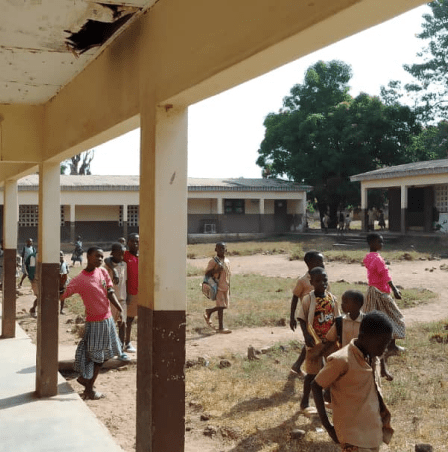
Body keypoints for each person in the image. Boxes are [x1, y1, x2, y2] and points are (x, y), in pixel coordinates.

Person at [312, 311, 394, 451]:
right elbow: (316, 385)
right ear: (362, 337)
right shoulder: (342, 360)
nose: (384, 349)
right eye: (381, 344)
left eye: (386, 344)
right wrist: (328, 426)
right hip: (352, 436)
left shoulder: (373, 358)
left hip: (371, 432)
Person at [60, 246, 127, 400]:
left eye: (102, 257)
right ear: (88, 256)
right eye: (97, 256)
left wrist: (119, 309)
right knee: (97, 358)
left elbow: (110, 291)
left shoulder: (103, 272)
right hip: (95, 323)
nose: (100, 259)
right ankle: (89, 389)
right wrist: (60, 284)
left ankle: (85, 379)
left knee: (106, 355)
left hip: (107, 319)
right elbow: (62, 295)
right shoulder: (79, 280)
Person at [296, 266, 339, 412]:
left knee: (333, 370)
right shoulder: (308, 299)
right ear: (311, 282)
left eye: (325, 280)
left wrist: (338, 336)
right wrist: (306, 335)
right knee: (312, 373)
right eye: (318, 280)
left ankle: (331, 399)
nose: (322, 283)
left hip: (331, 341)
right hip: (315, 342)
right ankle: (304, 402)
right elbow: (301, 318)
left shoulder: (332, 299)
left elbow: (337, 319)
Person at [363, 233, 405, 381]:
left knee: (373, 319)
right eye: (380, 241)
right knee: (396, 317)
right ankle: (392, 346)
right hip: (381, 293)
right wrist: (395, 290)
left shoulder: (368, 257)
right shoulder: (378, 259)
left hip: (372, 291)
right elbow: (386, 276)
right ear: (373, 242)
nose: (382, 243)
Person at [290, 250, 325, 376]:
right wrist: (292, 317)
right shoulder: (303, 281)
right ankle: (315, 370)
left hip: (321, 316)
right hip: (308, 318)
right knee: (312, 341)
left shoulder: (323, 278)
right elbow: (295, 297)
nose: (323, 264)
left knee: (314, 342)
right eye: (320, 261)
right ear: (310, 263)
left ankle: (298, 365)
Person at [107, 233, 139, 353]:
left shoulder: (142, 255)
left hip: (137, 292)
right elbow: (108, 259)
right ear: (128, 243)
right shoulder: (125, 255)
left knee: (129, 319)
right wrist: (114, 270)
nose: (135, 244)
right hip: (126, 293)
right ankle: (122, 343)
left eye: (137, 241)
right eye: (132, 241)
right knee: (122, 320)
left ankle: (126, 343)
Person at [104, 242, 129, 361]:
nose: (121, 255)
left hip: (122, 299)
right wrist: (113, 270)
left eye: (123, 252)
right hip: (110, 301)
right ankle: (108, 349)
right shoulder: (107, 267)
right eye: (119, 252)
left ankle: (121, 349)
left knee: (122, 324)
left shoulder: (124, 265)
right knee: (109, 326)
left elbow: (126, 282)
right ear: (113, 252)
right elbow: (106, 259)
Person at [203, 242, 232, 334]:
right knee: (220, 306)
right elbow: (207, 274)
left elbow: (228, 275)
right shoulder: (213, 261)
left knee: (224, 306)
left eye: (223, 249)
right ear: (215, 250)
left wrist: (229, 287)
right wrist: (216, 270)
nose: (221, 251)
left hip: (225, 286)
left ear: (226, 250)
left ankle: (209, 311)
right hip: (218, 286)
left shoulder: (227, 261)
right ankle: (221, 327)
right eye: (219, 249)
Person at [26, 248, 39, 318]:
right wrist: (29, 274)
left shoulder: (45, 257)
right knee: (39, 296)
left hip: (41, 279)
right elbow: (27, 265)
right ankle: (33, 310)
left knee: (42, 296)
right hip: (35, 279)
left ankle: (33, 309)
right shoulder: (33, 256)